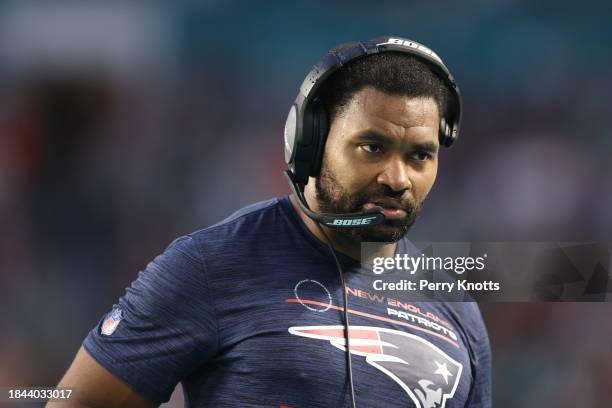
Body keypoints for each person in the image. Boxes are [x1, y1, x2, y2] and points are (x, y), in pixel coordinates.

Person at [50, 36, 491, 408]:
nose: (397, 178)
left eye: (420, 155)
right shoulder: (211, 265)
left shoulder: (456, 309)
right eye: (372, 147)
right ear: (310, 144)